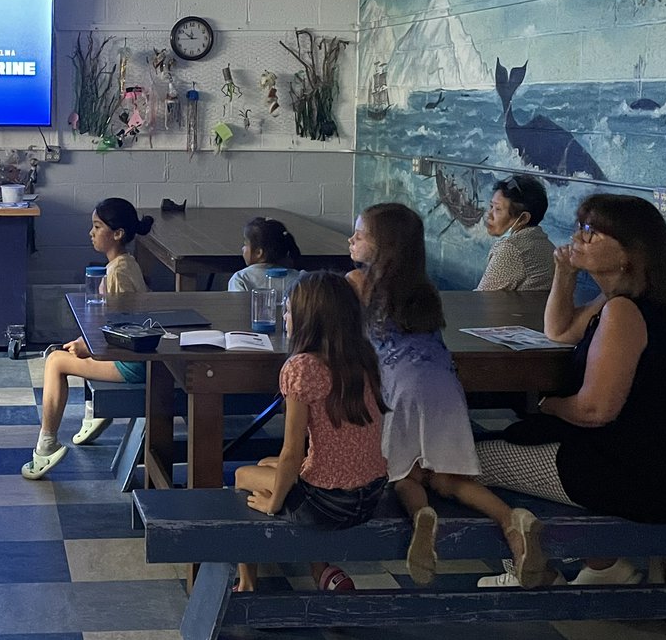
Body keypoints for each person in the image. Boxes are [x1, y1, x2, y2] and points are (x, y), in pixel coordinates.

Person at [347, 203, 546, 588]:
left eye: (360, 235)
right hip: (446, 388)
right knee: (449, 478)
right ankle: (511, 522)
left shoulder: (359, 283)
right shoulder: (425, 290)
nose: (351, 240)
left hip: (399, 392)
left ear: (383, 246)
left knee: (403, 473)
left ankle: (422, 516)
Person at [475, 194, 666, 587]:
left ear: (629, 254)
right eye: (581, 227)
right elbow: (559, 331)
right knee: (501, 442)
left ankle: (531, 572)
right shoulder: (620, 301)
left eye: (592, 232)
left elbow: (595, 411)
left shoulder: (623, 313)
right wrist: (564, 272)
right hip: (640, 462)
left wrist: (550, 406)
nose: (579, 237)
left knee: (464, 463)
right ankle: (603, 565)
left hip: (627, 473)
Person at [233, 271, 389, 593]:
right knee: (265, 463)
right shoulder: (362, 358)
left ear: (308, 318)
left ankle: (247, 582)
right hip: (370, 494)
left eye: (288, 310)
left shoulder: (302, 368)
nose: (285, 317)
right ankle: (322, 571)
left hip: (328, 502)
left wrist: (273, 504)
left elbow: (293, 452)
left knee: (242, 478)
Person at [22, 197, 153, 481]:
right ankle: (93, 413)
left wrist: (89, 346)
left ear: (117, 234)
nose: (91, 233)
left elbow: (122, 330)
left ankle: (46, 446)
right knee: (72, 349)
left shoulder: (117, 273)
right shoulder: (126, 263)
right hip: (132, 354)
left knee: (56, 361)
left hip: (130, 363)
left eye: (97, 227)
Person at [476, 174, 555, 291]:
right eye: (491, 206)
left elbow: (482, 298)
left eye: (497, 209)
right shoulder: (547, 246)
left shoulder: (511, 249)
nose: (489, 214)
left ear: (523, 218)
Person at [227, 217, 302, 292]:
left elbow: (237, 303)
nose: (243, 248)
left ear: (258, 253)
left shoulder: (240, 278)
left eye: (245, 244)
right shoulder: (299, 277)